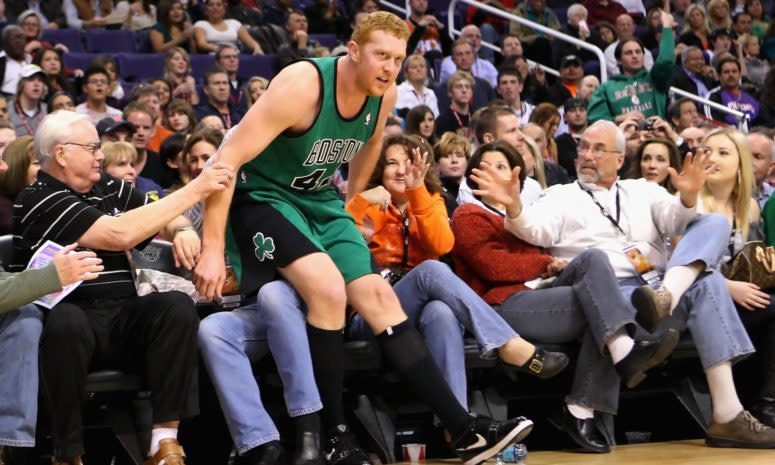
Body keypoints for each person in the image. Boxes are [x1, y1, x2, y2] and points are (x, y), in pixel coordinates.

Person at [193, 11, 534, 465]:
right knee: (328, 290)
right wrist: (213, 249)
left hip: (317, 198)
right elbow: (224, 163)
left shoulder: (384, 93)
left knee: (377, 295)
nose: (390, 66)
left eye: (398, 58)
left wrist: (350, 203)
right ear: (353, 51)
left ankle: (463, 428)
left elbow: (370, 142)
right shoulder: (302, 85)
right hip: (262, 197)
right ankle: (334, 436)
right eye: (381, 55)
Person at [476, 118, 775, 448]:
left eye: (598, 149)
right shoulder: (560, 195)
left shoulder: (643, 190)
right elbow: (534, 229)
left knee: (712, 233)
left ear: (619, 159)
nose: (587, 154)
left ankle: (726, 412)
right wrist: (515, 206)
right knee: (601, 263)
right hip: (604, 291)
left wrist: (688, 198)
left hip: (654, 294)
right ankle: (724, 410)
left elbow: (675, 217)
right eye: (584, 147)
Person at [11, 110, 235, 465]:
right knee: (66, 322)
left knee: (175, 306)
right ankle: (66, 453)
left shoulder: (110, 187)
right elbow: (119, 235)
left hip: (122, 313)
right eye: (92, 147)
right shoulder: (39, 197)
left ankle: (163, 442)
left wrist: (181, 229)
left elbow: (160, 210)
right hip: (69, 321)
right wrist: (197, 188)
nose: (101, 155)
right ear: (62, 154)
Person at [453, 141, 680, 453]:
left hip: (546, 294)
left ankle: (588, 400)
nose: (496, 175)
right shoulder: (469, 214)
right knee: (600, 309)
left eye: (502, 167)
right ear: (473, 178)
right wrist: (545, 263)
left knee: (594, 260)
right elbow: (495, 267)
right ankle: (598, 388)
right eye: (486, 168)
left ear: (518, 178)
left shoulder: (527, 213)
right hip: (504, 306)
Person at [346, 134, 569, 413]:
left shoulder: (432, 202)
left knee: (441, 312)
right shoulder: (364, 204)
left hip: (416, 307)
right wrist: (359, 201)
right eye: (392, 163)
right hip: (370, 314)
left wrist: (417, 195)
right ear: (380, 169)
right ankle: (508, 344)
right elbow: (340, 255)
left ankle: (459, 426)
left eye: (409, 162)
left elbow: (441, 244)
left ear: (423, 166)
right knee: (431, 270)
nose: (402, 170)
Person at [696, 128, 775, 428]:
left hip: (739, 298)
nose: (712, 158)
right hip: (703, 299)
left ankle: (764, 401)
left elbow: (750, 262)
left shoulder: (750, 207)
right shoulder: (693, 203)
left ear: (740, 164)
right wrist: (728, 287)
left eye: (722, 152)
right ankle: (765, 405)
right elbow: (680, 265)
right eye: (706, 151)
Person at [588, 11, 676, 124]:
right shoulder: (606, 88)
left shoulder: (655, 79)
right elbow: (595, 119)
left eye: (638, 52)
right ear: (619, 60)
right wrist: (620, 118)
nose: (634, 56)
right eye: (628, 53)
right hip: (625, 139)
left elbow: (666, 60)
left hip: (655, 137)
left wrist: (667, 28)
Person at [705, 57, 772, 128]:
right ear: (719, 76)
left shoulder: (751, 97)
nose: (731, 75)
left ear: (740, 75)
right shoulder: (713, 96)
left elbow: (766, 122)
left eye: (734, 71)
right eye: (726, 72)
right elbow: (714, 124)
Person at [193, 0, 263, 55]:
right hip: (214, 57)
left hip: (235, 55)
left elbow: (251, 42)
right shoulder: (201, 24)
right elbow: (201, 44)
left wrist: (257, 48)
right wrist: (222, 49)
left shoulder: (234, 23)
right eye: (211, 5)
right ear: (205, 10)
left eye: (219, 5)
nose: (215, 7)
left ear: (224, 9)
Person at [603, 13, 655, 78]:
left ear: (634, 27)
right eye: (622, 25)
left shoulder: (645, 51)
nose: (626, 27)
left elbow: (650, 73)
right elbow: (616, 74)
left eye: (628, 24)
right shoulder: (609, 51)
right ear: (616, 28)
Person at [8, 64, 47, 136]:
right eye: (31, 79)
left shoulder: (47, 109)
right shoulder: (7, 109)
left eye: (40, 80)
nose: (36, 84)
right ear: (21, 84)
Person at [395, 53, 439, 118]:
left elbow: (436, 118)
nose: (419, 69)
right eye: (414, 67)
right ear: (406, 72)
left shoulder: (431, 93)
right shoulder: (398, 91)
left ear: (426, 70)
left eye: (422, 66)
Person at [555, 97, 588, 178]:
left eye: (581, 110)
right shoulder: (558, 142)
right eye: (572, 110)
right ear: (564, 117)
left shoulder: (595, 139)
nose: (578, 114)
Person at [1, 26, 32, 98]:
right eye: (14, 38)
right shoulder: (1, 62)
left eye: (20, 37)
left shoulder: (33, 60)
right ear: (5, 42)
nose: (18, 41)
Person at [748, 129, 775, 209]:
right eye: (744, 154)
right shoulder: (716, 195)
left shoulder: (773, 198)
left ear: (771, 167)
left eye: (757, 157)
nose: (748, 161)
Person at [215, 44, 246, 109]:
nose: (232, 60)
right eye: (227, 57)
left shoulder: (247, 83)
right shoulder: (214, 85)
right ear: (217, 62)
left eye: (235, 57)